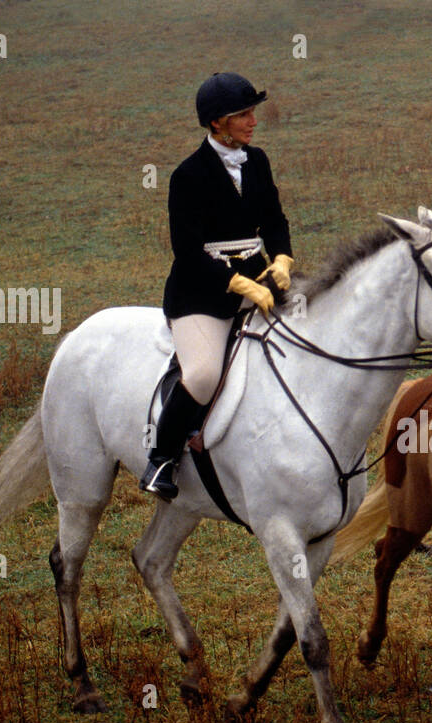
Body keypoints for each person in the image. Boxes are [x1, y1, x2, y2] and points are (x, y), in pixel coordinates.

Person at [140, 71, 294, 501]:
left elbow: (275, 221)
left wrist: (282, 259)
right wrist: (242, 285)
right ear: (216, 124)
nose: (253, 121)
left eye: (252, 112)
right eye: (242, 115)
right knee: (205, 375)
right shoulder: (186, 176)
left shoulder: (257, 161)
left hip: (258, 278)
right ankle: (162, 458)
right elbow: (188, 253)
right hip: (200, 294)